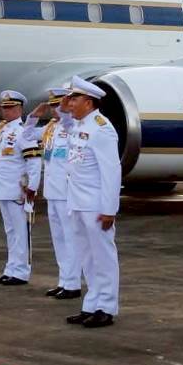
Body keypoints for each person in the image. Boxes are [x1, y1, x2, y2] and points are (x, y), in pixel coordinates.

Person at [62, 76, 122, 328]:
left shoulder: (101, 128)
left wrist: (109, 209)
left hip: (96, 205)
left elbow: (111, 171)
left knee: (103, 258)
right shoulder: (80, 125)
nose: (69, 103)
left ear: (88, 102)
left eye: (74, 98)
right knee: (87, 258)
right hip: (78, 202)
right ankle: (91, 304)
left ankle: (106, 307)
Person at [20, 89, 83, 300]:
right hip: (52, 190)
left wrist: (64, 114)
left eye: (59, 106)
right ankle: (64, 280)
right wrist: (33, 116)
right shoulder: (50, 128)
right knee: (58, 238)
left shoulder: (73, 126)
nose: (55, 110)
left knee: (70, 237)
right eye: (53, 106)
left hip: (66, 191)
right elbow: (26, 135)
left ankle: (73, 283)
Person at [0, 90, 39, 286]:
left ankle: (21, 272)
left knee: (21, 232)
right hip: (3, 188)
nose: (6, 111)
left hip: (17, 189)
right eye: (4, 108)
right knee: (11, 231)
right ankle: (11, 269)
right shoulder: (2, 130)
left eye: (10, 108)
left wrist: (32, 187)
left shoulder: (23, 131)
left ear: (19, 109)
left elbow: (34, 162)